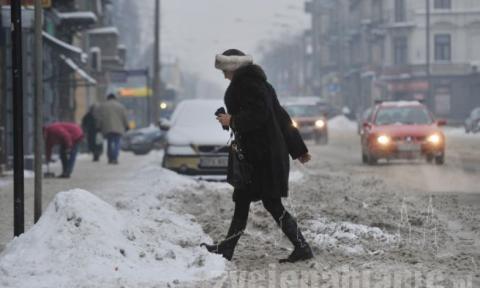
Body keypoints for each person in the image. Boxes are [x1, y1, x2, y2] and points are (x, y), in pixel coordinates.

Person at [201, 49, 314, 263]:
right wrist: (298, 149)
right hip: (263, 156)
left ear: (234, 68)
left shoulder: (247, 86)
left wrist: (232, 121)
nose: (224, 75)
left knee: (264, 203)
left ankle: (301, 246)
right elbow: (281, 117)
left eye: (225, 70)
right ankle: (228, 249)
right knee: (247, 202)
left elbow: (258, 116)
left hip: (262, 158)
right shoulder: (261, 85)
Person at [94, 93, 129, 164]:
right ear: (115, 98)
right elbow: (124, 117)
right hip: (118, 128)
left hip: (107, 128)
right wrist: (126, 126)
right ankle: (115, 157)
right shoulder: (120, 106)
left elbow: (99, 118)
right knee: (117, 143)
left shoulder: (103, 106)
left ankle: (110, 157)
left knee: (109, 142)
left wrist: (98, 126)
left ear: (108, 98)